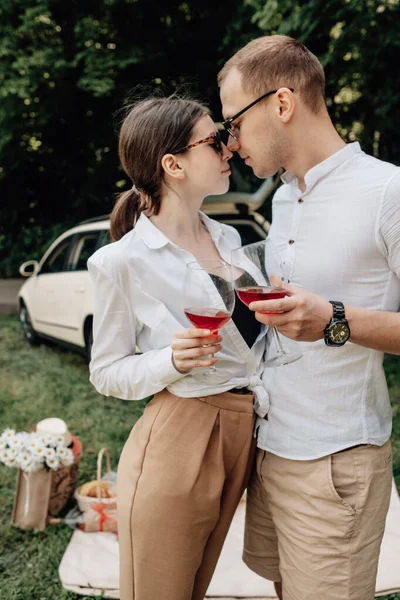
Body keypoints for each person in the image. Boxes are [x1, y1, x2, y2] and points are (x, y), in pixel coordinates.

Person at [218, 35, 400, 600]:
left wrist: (334, 320)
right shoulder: (281, 197)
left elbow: (328, 318)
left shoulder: (387, 191)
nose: (229, 142)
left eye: (234, 122)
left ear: (281, 103)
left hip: (335, 463)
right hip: (272, 449)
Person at [87, 95, 270, 600]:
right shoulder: (120, 262)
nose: (230, 146)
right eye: (214, 140)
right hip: (181, 437)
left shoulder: (233, 239)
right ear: (173, 164)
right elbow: (105, 371)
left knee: (203, 583)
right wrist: (170, 359)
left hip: (253, 432)